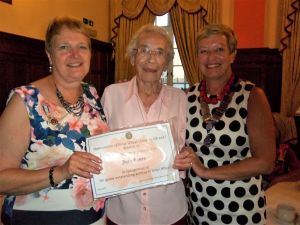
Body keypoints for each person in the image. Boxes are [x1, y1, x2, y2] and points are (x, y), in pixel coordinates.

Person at [0, 16, 109, 225]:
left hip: (94, 218)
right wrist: (61, 172)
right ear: (49, 55)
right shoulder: (25, 101)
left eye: (82, 47)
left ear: (90, 54)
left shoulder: (91, 94)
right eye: (64, 47)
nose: (75, 54)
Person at [174, 24, 276, 225]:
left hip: (240, 211)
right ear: (197, 58)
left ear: (232, 55)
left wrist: (207, 172)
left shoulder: (252, 96)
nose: (211, 58)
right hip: (197, 208)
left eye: (219, 49)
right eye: (204, 51)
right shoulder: (188, 96)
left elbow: (265, 163)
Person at [101, 24, 188, 225]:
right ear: (133, 57)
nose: (151, 58)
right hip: (123, 213)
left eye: (160, 52)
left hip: (169, 212)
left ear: (167, 62)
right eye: (144, 50)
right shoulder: (112, 95)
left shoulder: (181, 99)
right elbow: (100, 148)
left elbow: (187, 145)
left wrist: (187, 156)